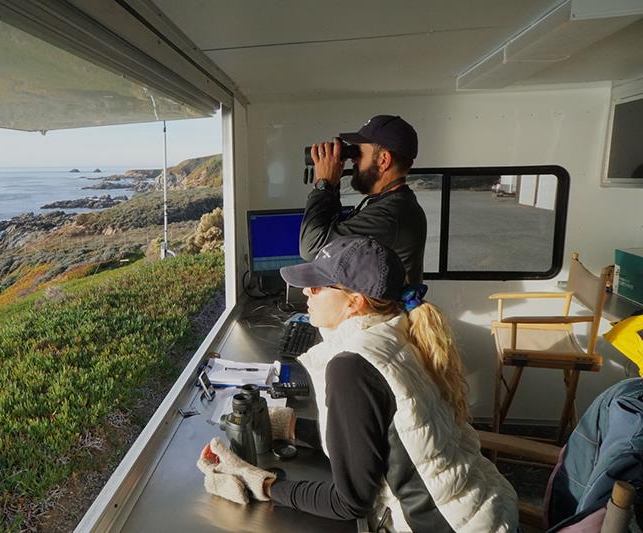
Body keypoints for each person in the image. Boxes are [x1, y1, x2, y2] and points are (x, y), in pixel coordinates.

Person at [197, 236, 518, 532]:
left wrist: (261, 484)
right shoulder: (400, 333)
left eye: (318, 286)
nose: (307, 292)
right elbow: (380, 437)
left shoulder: (352, 367)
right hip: (491, 508)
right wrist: (289, 425)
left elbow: (350, 502)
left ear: (354, 302)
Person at [300, 115, 427, 284]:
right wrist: (332, 185)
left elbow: (312, 248)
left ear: (383, 160)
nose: (353, 159)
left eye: (358, 152)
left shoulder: (391, 214)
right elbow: (332, 232)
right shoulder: (391, 205)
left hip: (383, 310)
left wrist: (324, 183)